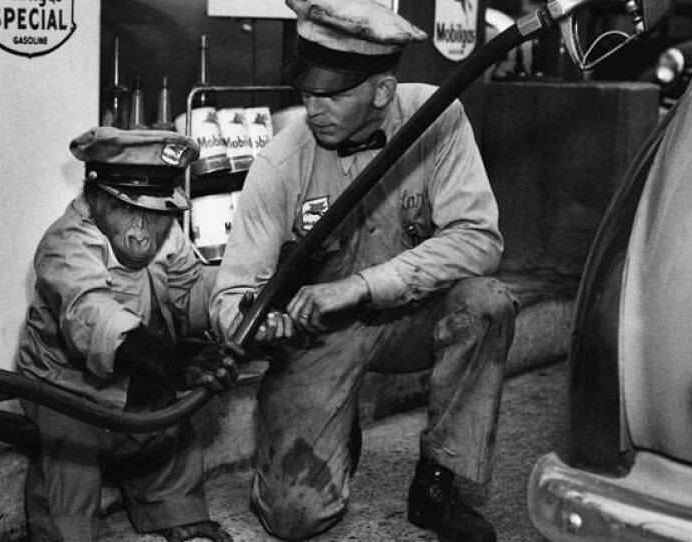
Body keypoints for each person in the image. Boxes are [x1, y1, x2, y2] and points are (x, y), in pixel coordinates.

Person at [210, 1, 518, 541]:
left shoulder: (436, 117)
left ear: (381, 91)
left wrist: (361, 286)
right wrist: (257, 319)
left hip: (412, 316)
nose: (313, 108)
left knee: (485, 304)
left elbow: (479, 239)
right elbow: (232, 290)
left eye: (332, 93)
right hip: (322, 338)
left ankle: (438, 484)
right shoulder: (281, 163)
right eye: (307, 92)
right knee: (293, 519)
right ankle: (335, 424)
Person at [15, 127, 237, 542]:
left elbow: (193, 297)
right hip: (65, 385)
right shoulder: (68, 241)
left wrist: (240, 300)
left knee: (168, 428)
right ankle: (65, 532)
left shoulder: (168, 235)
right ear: (94, 196)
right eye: (127, 210)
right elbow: (92, 314)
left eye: (155, 213)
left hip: (137, 377)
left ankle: (175, 511)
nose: (141, 231)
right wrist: (174, 365)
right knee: (69, 450)